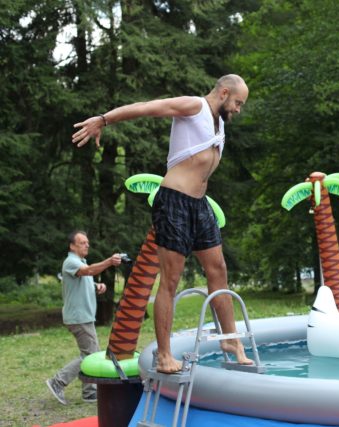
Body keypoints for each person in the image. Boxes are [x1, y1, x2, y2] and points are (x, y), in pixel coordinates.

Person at [71, 74, 252, 373]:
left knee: (218, 270)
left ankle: (230, 341)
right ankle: (165, 355)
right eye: (237, 102)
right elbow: (147, 107)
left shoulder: (219, 123)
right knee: (170, 279)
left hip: (199, 204)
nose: (238, 109)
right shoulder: (194, 106)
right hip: (174, 202)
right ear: (223, 93)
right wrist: (103, 120)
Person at [46, 231, 122, 405]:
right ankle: (58, 382)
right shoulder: (71, 262)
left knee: (89, 354)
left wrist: (96, 286)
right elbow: (88, 271)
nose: (87, 245)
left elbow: (83, 278)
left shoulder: (81, 262)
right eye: (82, 242)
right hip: (79, 318)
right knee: (90, 355)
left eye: (87, 242)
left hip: (84, 317)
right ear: (72, 246)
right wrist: (110, 261)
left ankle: (89, 392)